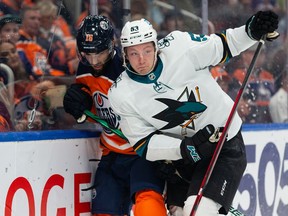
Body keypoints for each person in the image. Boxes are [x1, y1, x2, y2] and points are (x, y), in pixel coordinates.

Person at [108, 11, 279, 216]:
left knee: (198, 211)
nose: (142, 59)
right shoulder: (121, 94)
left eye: (146, 50)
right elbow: (144, 144)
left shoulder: (180, 46)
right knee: (180, 212)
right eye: (134, 53)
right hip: (186, 158)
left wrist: (250, 31)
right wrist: (182, 148)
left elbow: (221, 45)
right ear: (125, 55)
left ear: (156, 46)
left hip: (224, 144)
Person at [63, 15, 166, 216]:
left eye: (99, 54)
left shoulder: (128, 67)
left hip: (143, 152)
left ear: (112, 45)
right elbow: (99, 109)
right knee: (103, 211)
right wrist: (80, 103)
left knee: (148, 205)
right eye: (87, 54)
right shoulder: (85, 67)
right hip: (112, 154)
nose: (94, 61)